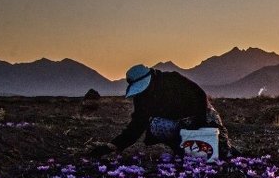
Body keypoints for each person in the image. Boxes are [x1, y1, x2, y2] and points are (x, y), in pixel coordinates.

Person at [87, 65, 232, 158]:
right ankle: (181, 149)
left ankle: (210, 146)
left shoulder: (172, 80)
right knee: (155, 125)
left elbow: (200, 95)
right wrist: (112, 146)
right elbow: (137, 125)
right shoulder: (142, 98)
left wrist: (199, 121)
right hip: (177, 125)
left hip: (201, 116)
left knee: (223, 151)